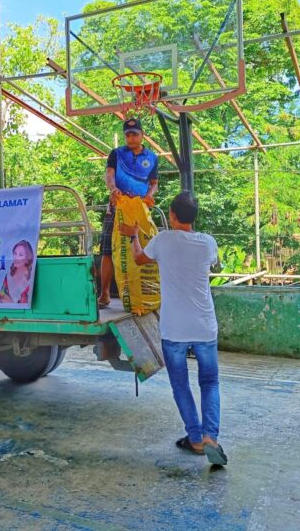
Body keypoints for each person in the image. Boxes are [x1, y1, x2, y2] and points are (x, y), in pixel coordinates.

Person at [119, 192, 228, 466]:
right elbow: (215, 263)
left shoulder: (164, 240)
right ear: (195, 216)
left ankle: (194, 438)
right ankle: (210, 438)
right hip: (204, 325)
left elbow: (140, 259)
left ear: (172, 216)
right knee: (210, 382)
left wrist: (134, 235)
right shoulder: (208, 243)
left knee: (181, 384)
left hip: (174, 328)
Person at [98, 117, 158, 308]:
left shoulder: (152, 158)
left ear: (142, 135)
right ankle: (105, 293)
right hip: (117, 207)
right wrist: (113, 189)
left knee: (144, 249)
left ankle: (142, 293)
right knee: (107, 250)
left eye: (135, 134)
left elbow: (154, 184)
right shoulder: (116, 154)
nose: (131, 138)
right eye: (128, 135)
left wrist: (150, 195)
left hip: (140, 210)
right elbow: (109, 175)